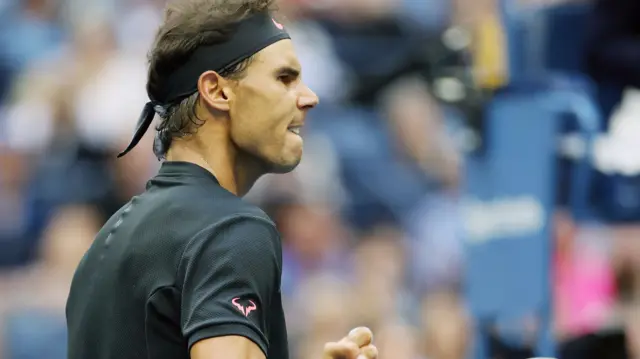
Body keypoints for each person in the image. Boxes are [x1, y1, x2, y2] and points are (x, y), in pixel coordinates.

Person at [64, 1, 379, 359]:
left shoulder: (105, 243)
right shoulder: (230, 229)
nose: (309, 97)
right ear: (217, 91)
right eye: (284, 78)